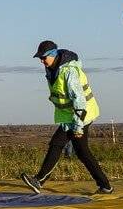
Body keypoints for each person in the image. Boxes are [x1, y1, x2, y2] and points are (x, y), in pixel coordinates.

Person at [21, 40, 114, 195]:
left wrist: (78, 125)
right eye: (40, 59)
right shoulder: (53, 70)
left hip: (80, 115)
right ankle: (105, 186)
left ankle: (39, 180)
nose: (42, 61)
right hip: (70, 117)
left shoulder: (68, 71)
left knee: (57, 144)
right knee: (82, 152)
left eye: (44, 58)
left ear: (53, 54)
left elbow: (79, 99)